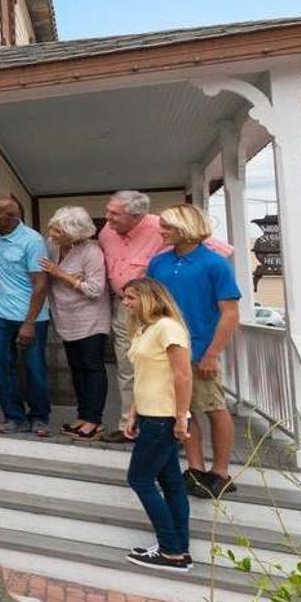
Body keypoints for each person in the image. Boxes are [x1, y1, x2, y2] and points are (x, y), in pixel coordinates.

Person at [97, 190, 233, 443]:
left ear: (136, 215)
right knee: (132, 366)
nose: (108, 218)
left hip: (175, 324)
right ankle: (132, 424)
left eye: (114, 213)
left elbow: (216, 252)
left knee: (199, 398)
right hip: (131, 310)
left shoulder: (161, 227)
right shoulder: (107, 233)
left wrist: (212, 352)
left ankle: (206, 462)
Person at [145, 204, 242, 499]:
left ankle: (221, 472)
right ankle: (196, 467)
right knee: (183, 411)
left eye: (167, 227)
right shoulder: (158, 264)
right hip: (165, 349)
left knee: (213, 407)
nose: (160, 232)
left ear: (185, 229)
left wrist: (212, 353)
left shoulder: (215, 264)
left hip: (200, 349)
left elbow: (230, 313)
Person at [118, 277, 195, 572]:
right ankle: (179, 548)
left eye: (131, 298)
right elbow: (145, 375)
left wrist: (180, 417)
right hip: (150, 413)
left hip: (165, 417)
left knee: (139, 479)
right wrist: (134, 411)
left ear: (149, 298)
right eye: (125, 298)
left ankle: (170, 548)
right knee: (171, 482)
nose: (126, 303)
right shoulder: (143, 330)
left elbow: (182, 375)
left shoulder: (168, 328)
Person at [0, 197, 52, 436]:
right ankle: (14, 416)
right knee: (0, 366)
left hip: (30, 317)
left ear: (11, 217)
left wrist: (29, 323)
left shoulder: (32, 241)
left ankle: (40, 417)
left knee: (34, 368)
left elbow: (40, 284)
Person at [42, 206, 110, 440]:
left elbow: (94, 290)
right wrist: (73, 278)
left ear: (74, 232)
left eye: (58, 230)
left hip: (90, 320)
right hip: (65, 318)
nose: (51, 233)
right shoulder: (52, 246)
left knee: (92, 369)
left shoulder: (91, 252)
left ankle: (94, 421)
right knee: (77, 369)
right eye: (52, 228)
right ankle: (82, 416)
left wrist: (60, 273)